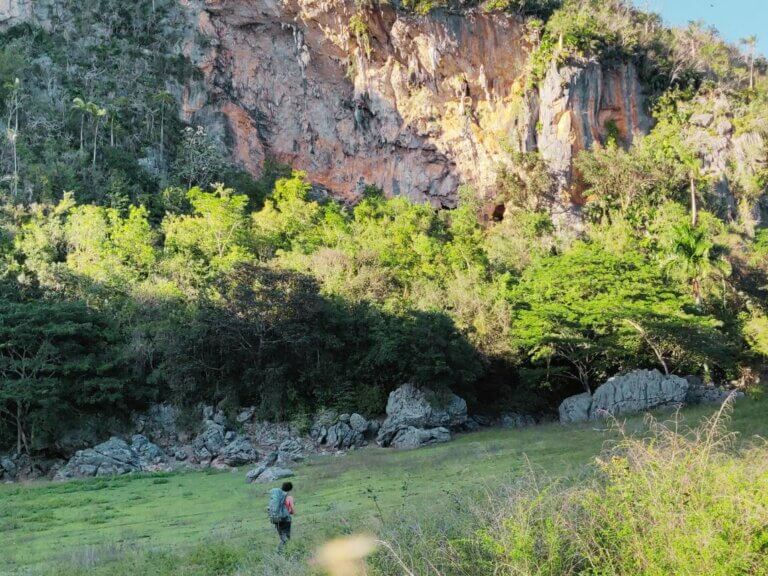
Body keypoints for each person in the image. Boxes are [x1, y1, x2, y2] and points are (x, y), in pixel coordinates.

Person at [267, 481, 295, 550]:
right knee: (286, 538)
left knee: (282, 537)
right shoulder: (287, 497)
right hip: (285, 519)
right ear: (289, 489)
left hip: (276, 519)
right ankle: (279, 552)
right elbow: (291, 510)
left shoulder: (276, 495)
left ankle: (281, 552)